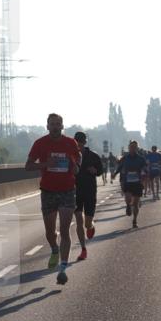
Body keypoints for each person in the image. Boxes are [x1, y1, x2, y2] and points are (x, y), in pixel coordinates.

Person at [25, 114, 80, 284]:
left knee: (64, 229)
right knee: (50, 233)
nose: (55, 127)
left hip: (67, 191)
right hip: (48, 191)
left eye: (58, 124)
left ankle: (63, 268)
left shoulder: (70, 143)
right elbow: (28, 166)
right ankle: (55, 249)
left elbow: (77, 165)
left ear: (62, 126)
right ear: (47, 126)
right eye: (52, 124)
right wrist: (46, 164)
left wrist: (74, 166)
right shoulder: (40, 143)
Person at [72, 131, 103, 261]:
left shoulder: (93, 156)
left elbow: (100, 171)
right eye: (76, 142)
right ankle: (83, 249)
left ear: (85, 142)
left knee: (87, 223)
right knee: (79, 219)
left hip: (90, 191)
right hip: (75, 192)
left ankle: (91, 226)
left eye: (81, 142)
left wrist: (95, 171)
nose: (78, 144)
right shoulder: (70, 155)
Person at [112, 140, 147, 229]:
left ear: (137, 148)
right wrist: (115, 174)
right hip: (127, 181)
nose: (133, 148)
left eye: (134, 147)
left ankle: (134, 220)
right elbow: (120, 167)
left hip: (137, 182)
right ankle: (128, 205)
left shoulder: (141, 159)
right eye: (131, 147)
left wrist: (144, 173)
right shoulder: (125, 158)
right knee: (128, 198)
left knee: (135, 203)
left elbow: (145, 168)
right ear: (129, 148)